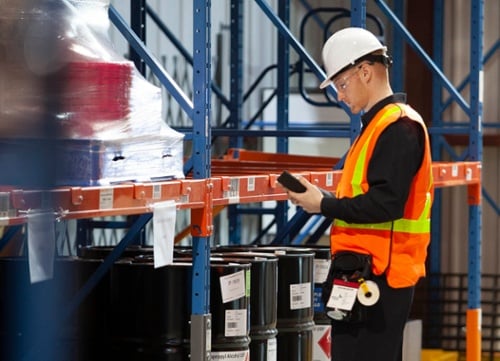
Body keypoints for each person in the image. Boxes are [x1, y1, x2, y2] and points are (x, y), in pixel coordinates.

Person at [281, 27, 434, 361]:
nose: (339, 95)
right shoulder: (378, 127)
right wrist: (322, 197)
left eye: (342, 84)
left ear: (365, 71)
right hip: (364, 274)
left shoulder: (398, 127)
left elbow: (386, 203)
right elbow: (367, 194)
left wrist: (322, 204)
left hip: (381, 279)